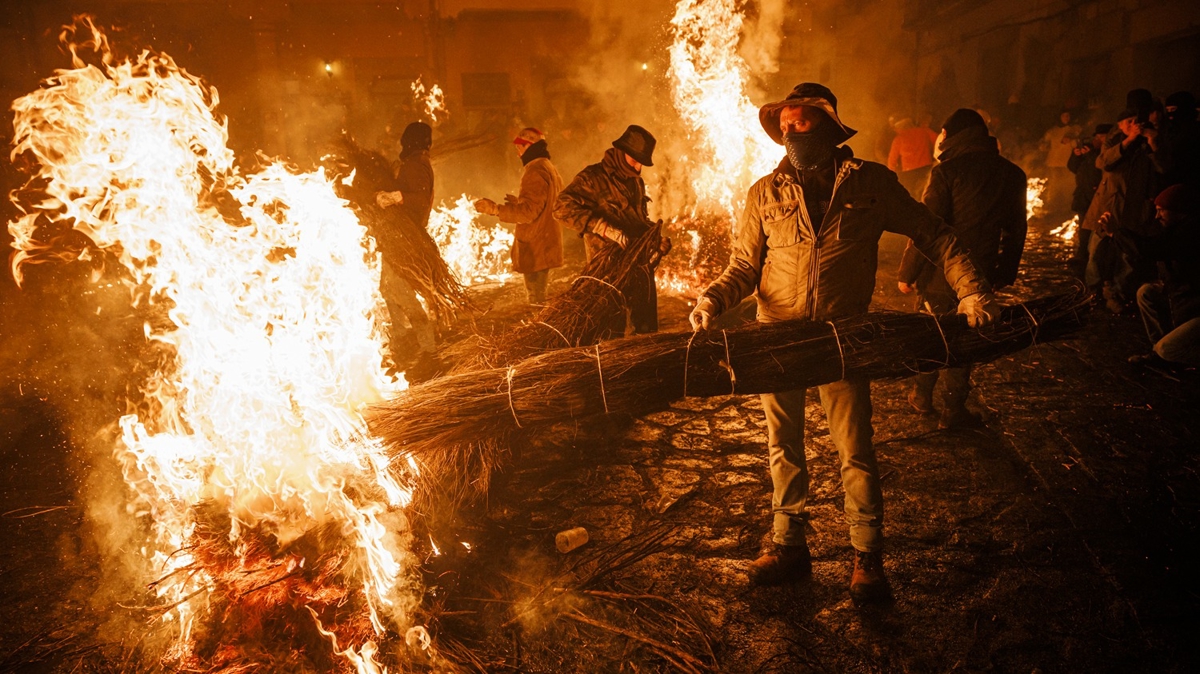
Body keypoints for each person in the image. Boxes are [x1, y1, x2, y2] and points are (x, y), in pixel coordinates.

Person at [688, 83, 998, 603]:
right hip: (778, 339)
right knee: (782, 447)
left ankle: (866, 555)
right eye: (783, 122)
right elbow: (744, 266)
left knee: (854, 449)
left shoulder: (871, 184)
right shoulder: (764, 192)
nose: (789, 129)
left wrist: (970, 290)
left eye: (800, 120)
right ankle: (789, 545)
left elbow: (935, 234)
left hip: (841, 338)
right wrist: (711, 301)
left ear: (829, 124)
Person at [897, 109, 1027, 427]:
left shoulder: (947, 172)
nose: (940, 138)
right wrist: (1003, 273)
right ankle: (953, 411)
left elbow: (927, 227)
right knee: (965, 340)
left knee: (934, 334)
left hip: (940, 273)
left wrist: (907, 273)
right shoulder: (1011, 174)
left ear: (953, 135)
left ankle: (922, 396)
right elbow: (1016, 230)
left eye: (943, 132)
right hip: (980, 274)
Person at [555, 124, 660, 333]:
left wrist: (655, 240)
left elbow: (637, 221)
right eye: (634, 161)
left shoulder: (635, 182)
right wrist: (601, 227)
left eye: (641, 164)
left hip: (638, 267)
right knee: (610, 333)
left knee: (646, 331)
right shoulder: (592, 178)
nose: (638, 168)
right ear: (622, 153)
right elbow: (560, 208)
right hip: (607, 272)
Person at [1103, 184, 1200, 367]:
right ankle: (1159, 352)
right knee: (1146, 292)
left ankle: (1168, 354)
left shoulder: (1192, 233)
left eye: (1161, 211)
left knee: (1168, 350)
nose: (1157, 216)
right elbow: (1148, 246)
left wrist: (1116, 233)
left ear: (1178, 210)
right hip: (1186, 302)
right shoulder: (1176, 228)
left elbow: (1151, 249)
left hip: (1195, 307)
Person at [1081, 108, 1166, 312]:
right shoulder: (1115, 142)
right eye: (1128, 121)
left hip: (1135, 209)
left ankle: (1118, 294)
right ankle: (1091, 292)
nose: (1133, 125)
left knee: (1127, 255)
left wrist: (1154, 143)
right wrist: (1128, 141)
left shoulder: (1148, 142)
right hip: (1107, 205)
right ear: (1120, 125)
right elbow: (1103, 162)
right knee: (1096, 252)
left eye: (1136, 120)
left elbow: (1163, 168)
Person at [375, 121, 439, 379]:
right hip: (401, 239)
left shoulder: (416, 164)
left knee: (399, 291)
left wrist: (394, 197)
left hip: (406, 241)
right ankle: (403, 340)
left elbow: (420, 199)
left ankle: (428, 349)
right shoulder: (418, 162)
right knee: (388, 288)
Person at [475, 128, 564, 305]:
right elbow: (543, 204)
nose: (518, 150)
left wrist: (494, 209)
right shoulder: (548, 167)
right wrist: (519, 202)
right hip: (545, 243)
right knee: (539, 297)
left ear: (530, 146)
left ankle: (541, 331)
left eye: (521, 146)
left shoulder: (535, 171)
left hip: (537, 247)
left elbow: (529, 212)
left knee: (536, 300)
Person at [1066, 124, 1112, 278]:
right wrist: (1076, 156)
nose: (1098, 139)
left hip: (1097, 195)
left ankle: (1095, 260)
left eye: (1101, 136)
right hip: (1083, 195)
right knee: (1083, 226)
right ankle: (1082, 254)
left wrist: (1091, 155)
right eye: (1097, 137)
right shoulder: (1091, 151)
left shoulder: (1104, 151)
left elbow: (1099, 167)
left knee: (1096, 228)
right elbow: (1073, 167)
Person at [1042, 110, 1082, 213]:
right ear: (1060, 117)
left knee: (1067, 186)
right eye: (1064, 116)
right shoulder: (1052, 131)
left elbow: (1077, 140)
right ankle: (1054, 208)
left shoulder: (1074, 129)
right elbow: (1044, 143)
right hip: (1053, 163)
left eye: (1068, 116)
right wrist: (1043, 146)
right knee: (1054, 186)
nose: (1066, 118)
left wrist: (1072, 138)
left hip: (1067, 163)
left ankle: (1067, 208)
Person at [887, 116, 936, 197]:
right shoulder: (924, 131)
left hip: (909, 175)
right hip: (926, 170)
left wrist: (890, 177)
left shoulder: (899, 139)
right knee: (928, 194)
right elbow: (940, 141)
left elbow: (892, 160)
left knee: (912, 198)